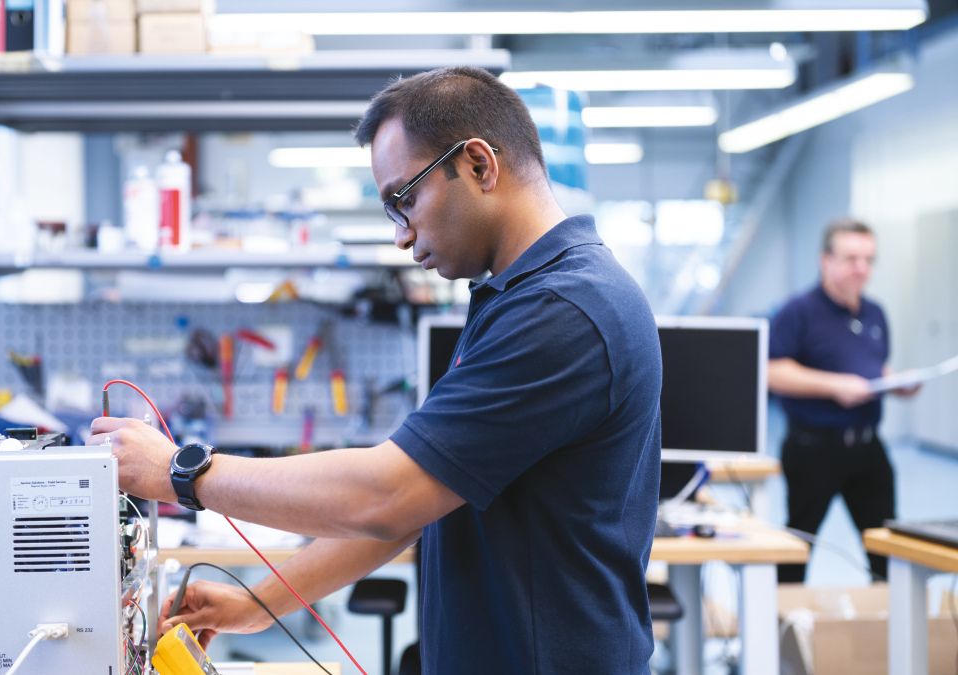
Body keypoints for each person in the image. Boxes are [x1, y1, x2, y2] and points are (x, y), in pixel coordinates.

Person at [90, 66, 662, 674]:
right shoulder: (516, 298)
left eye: (405, 198)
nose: (401, 235)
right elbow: (424, 499)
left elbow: (386, 495)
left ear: (478, 165)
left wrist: (183, 473)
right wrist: (258, 604)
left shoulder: (563, 312)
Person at [768, 218, 919, 584]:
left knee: (885, 548)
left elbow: (872, 366)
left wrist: (894, 382)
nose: (861, 269)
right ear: (826, 260)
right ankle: (787, 628)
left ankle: (887, 627)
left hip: (868, 448)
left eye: (868, 259)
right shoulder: (797, 312)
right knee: (797, 549)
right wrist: (834, 386)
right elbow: (773, 371)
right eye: (851, 258)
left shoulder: (874, 313)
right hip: (813, 449)